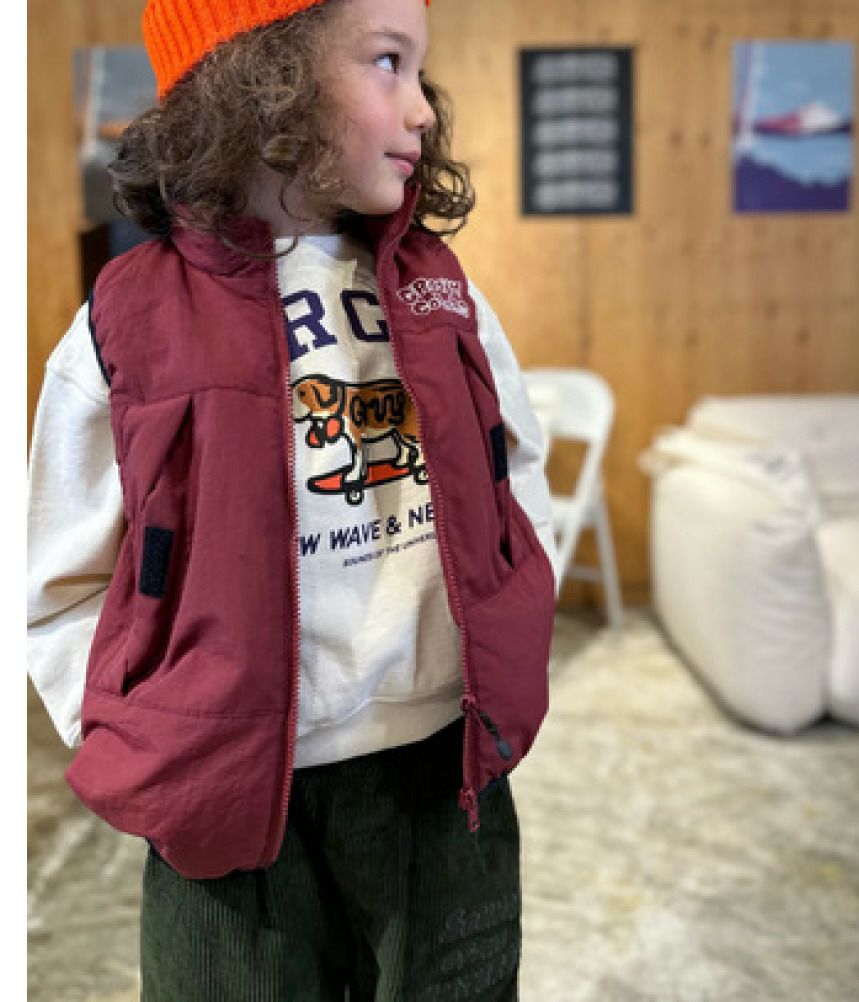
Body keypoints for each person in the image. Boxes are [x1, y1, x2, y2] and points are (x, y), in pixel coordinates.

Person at [27, 0, 558, 997]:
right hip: (220, 794)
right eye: (387, 62)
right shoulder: (128, 321)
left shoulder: (442, 291)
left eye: (419, 70)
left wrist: (515, 619)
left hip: (443, 775)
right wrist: (141, 728)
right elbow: (57, 573)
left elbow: (517, 474)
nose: (424, 110)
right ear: (262, 78)